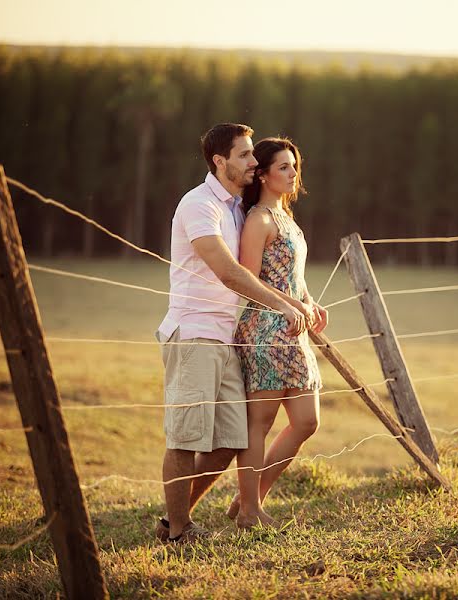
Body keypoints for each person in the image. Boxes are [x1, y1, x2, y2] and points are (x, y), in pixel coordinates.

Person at [154, 124, 308, 544]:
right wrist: (282, 304)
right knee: (187, 437)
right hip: (195, 333)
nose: (253, 162)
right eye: (243, 155)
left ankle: (175, 519)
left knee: (231, 439)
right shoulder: (198, 205)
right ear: (219, 162)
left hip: (226, 338)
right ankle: (179, 531)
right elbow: (228, 272)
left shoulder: (237, 208)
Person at [227, 137, 328, 528]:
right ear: (264, 175)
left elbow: (292, 278)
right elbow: (248, 281)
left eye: (293, 166)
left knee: (306, 421)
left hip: (294, 328)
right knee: (261, 424)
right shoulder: (258, 220)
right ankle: (251, 512)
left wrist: (310, 302)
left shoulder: (287, 219)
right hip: (265, 330)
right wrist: (292, 305)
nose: (292, 173)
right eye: (283, 167)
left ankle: (247, 498)